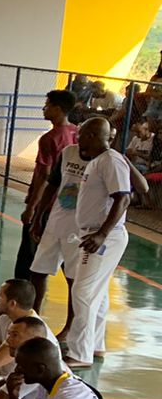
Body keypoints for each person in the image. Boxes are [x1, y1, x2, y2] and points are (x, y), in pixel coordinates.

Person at [46, 118, 131, 367]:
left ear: (93, 136)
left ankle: (79, 353)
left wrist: (102, 234)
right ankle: (95, 345)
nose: (77, 138)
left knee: (82, 292)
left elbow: (122, 199)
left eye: (81, 135)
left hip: (104, 236)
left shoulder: (111, 160)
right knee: (97, 293)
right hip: (93, 234)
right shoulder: (98, 162)